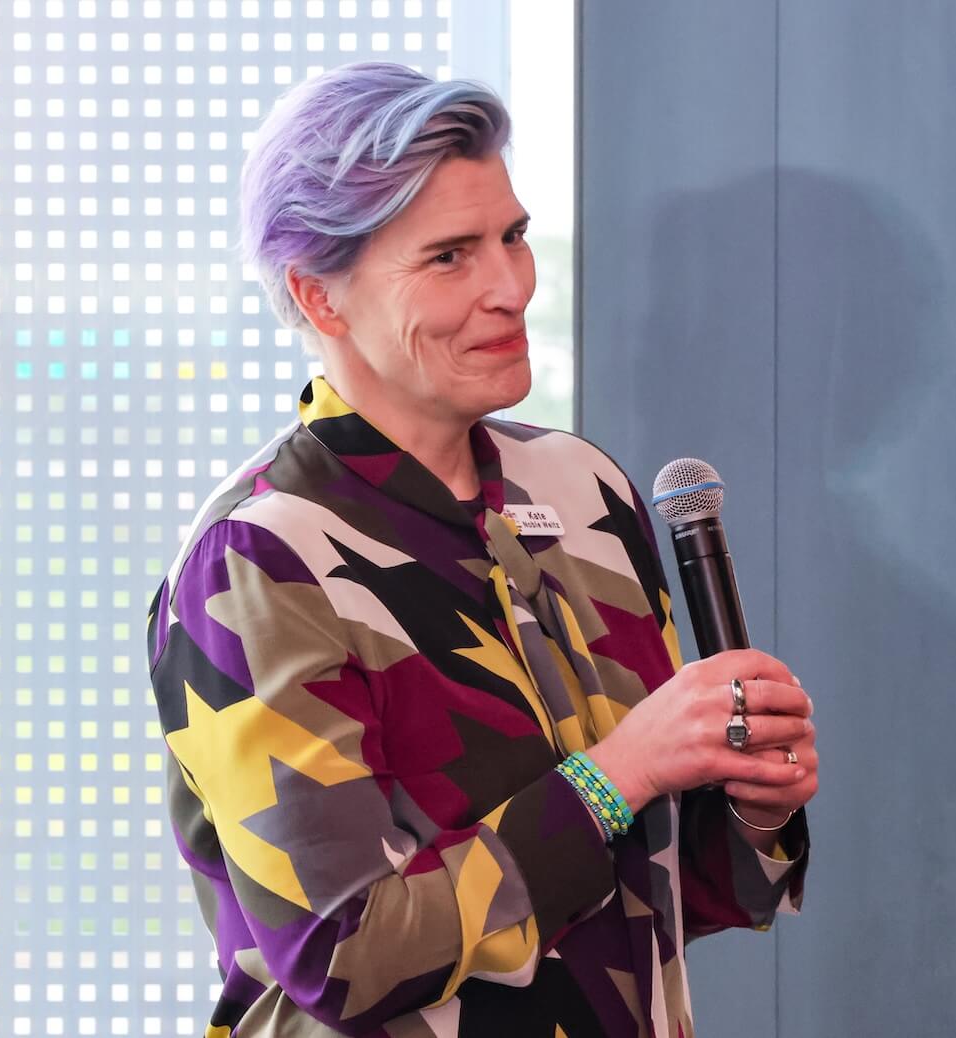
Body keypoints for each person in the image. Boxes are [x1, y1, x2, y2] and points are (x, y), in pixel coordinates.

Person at [145, 61, 818, 1037]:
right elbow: (343, 955)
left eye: (512, 237)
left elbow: (669, 894)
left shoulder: (584, 491)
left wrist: (754, 803)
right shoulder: (259, 560)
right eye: (450, 257)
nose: (510, 287)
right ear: (319, 298)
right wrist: (618, 772)